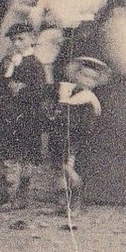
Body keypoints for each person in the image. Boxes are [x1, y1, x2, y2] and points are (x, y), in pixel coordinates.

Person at [0, 22, 50, 209]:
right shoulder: (8, 60)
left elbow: (39, 91)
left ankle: (22, 195)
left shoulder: (35, 64)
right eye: (14, 40)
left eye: (21, 39)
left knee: (25, 155)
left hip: (25, 115)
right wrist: (7, 66)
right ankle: (1, 191)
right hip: (4, 112)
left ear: (32, 39)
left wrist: (21, 89)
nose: (17, 43)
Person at [48, 54, 106, 217]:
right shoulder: (70, 92)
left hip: (77, 140)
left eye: (92, 79)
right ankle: (62, 203)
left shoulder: (89, 99)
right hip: (62, 137)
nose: (87, 80)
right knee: (60, 171)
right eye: (83, 75)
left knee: (73, 170)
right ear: (76, 75)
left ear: (96, 82)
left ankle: (76, 204)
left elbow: (86, 125)